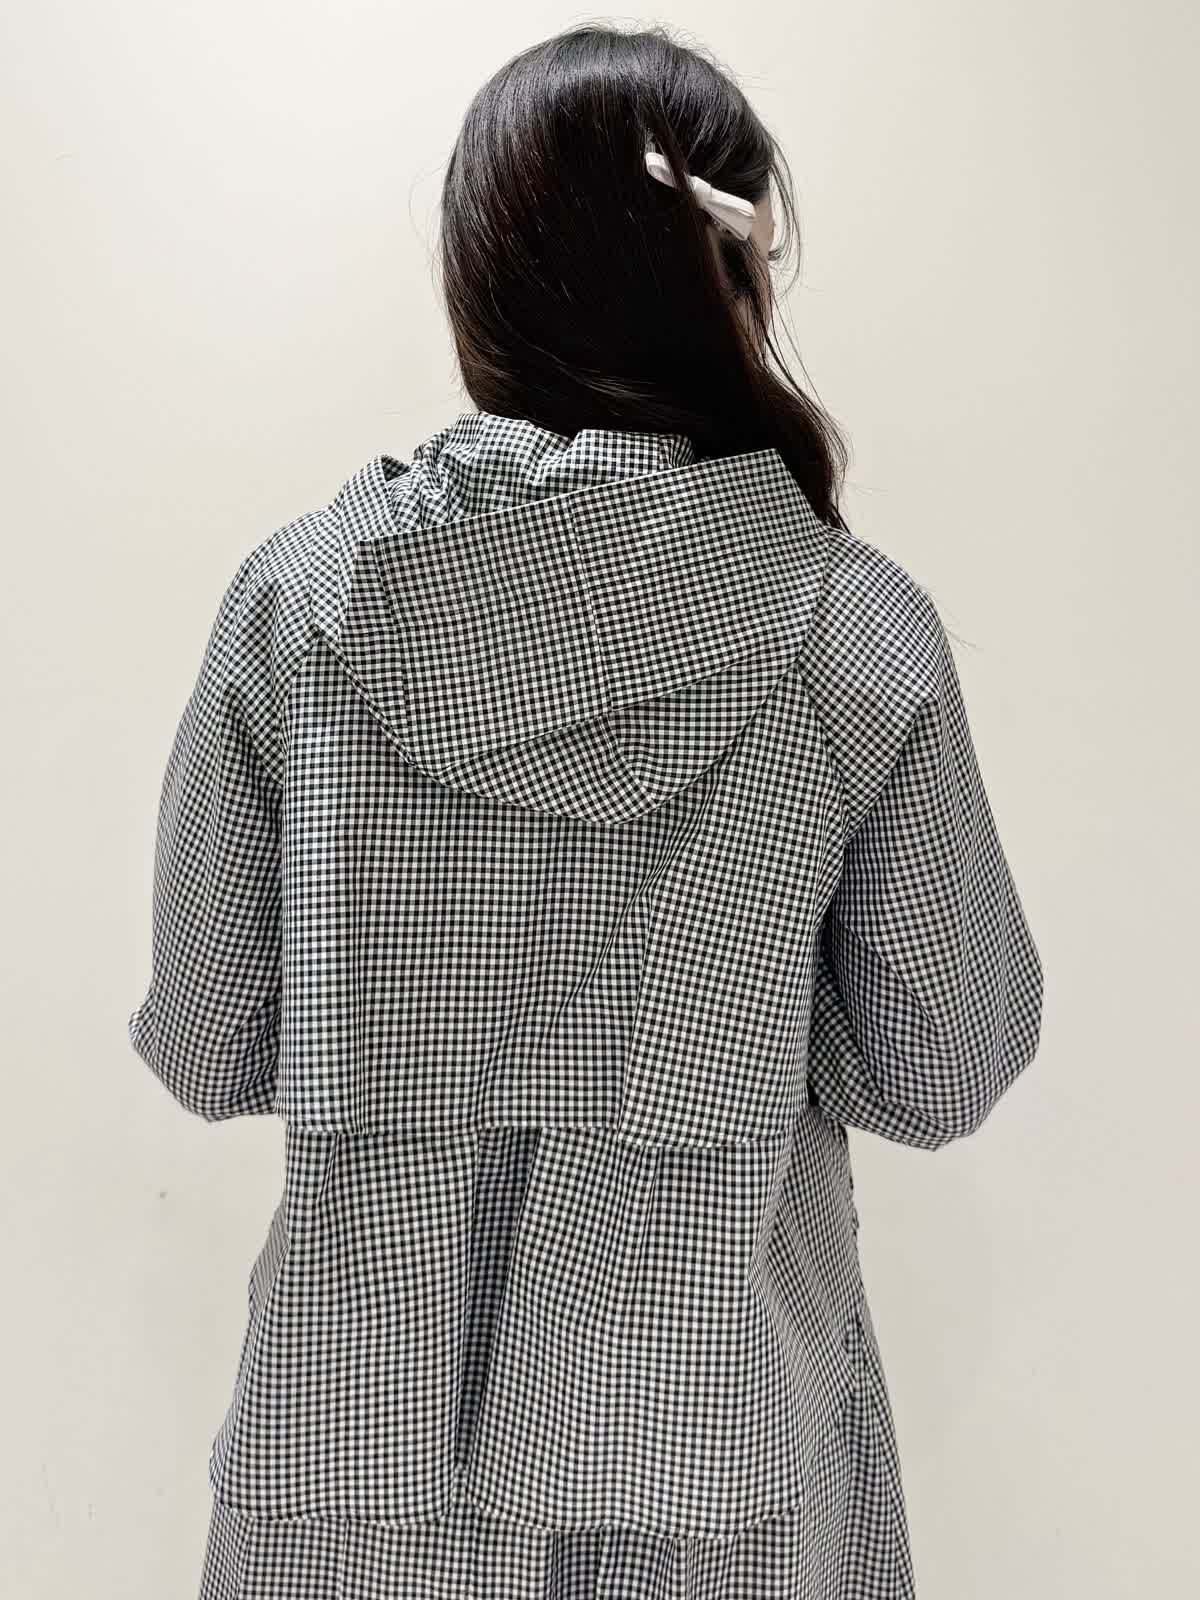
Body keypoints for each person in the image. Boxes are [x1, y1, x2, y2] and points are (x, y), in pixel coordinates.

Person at [127, 23, 1045, 1600]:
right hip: (721, 1476)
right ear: (731, 271)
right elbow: (941, 1067)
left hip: (352, 1479)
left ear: (479, 274)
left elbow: (210, 1042)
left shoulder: (298, 606)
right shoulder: (851, 629)